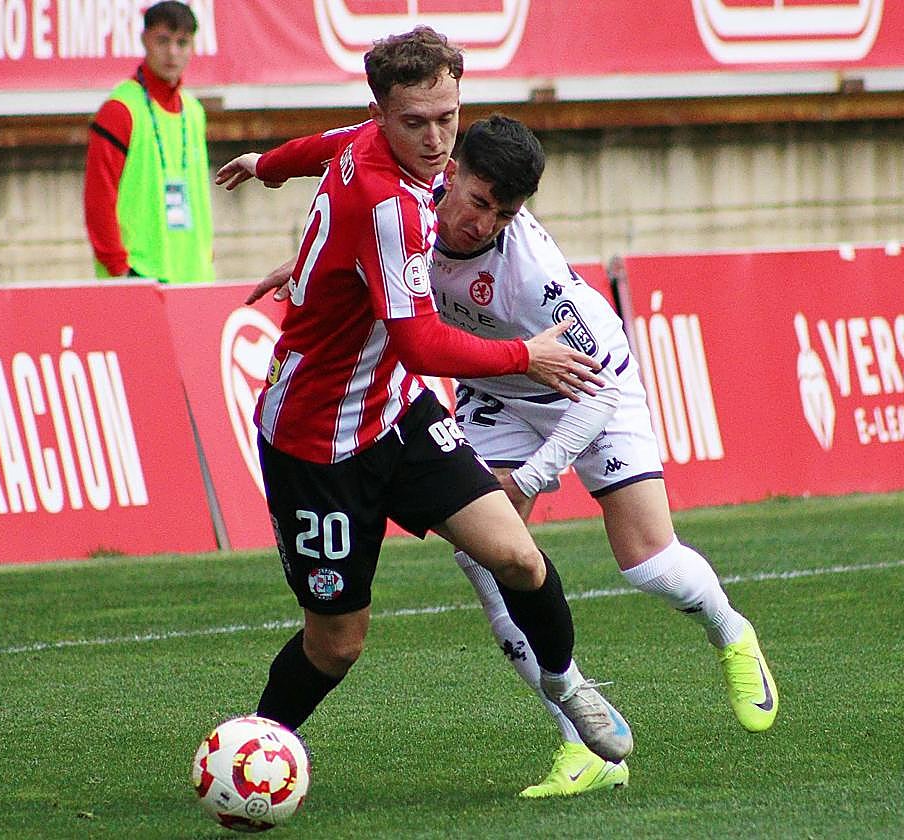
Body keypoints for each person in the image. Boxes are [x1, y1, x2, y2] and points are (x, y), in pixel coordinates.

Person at [247, 115, 780, 799]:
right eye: (477, 202)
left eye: (503, 213)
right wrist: (304, 249)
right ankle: (580, 742)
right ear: (454, 174)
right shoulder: (416, 194)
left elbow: (599, 391)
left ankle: (730, 631)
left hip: (586, 387)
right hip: (495, 386)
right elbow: (353, 192)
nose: (482, 223)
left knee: (647, 560)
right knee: (488, 557)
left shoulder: (533, 276)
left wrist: (533, 475)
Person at [213, 27, 634, 769]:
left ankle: (567, 687)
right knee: (337, 645)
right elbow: (420, 343)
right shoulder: (390, 208)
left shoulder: (380, 146)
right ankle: (253, 751)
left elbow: (321, 144)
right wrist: (524, 356)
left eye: (449, 116)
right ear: (382, 114)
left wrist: (267, 165)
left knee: (519, 558)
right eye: (416, 122)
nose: (438, 138)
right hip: (317, 437)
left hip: (395, 412)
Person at [84, 1, 214, 285]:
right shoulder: (120, 110)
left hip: (193, 276)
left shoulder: (194, 111)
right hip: (137, 276)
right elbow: (98, 198)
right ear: (144, 40)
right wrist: (119, 268)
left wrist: (207, 257)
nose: (172, 52)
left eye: (182, 43)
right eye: (163, 41)